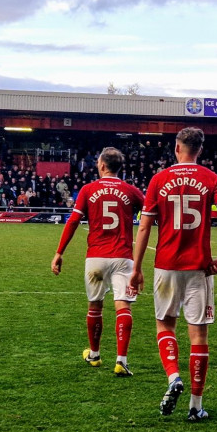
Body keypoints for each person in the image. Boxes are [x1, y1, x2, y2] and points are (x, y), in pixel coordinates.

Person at [129, 128, 217, 422]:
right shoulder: (211, 178)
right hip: (199, 267)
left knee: (165, 326)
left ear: (177, 147)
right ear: (199, 150)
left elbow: (143, 227)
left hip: (166, 265)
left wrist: (136, 268)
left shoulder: (158, 179)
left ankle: (173, 375)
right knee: (199, 334)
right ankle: (195, 405)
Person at [52, 147, 144, 375]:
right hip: (122, 256)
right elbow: (152, 213)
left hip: (96, 256)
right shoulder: (131, 191)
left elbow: (73, 221)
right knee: (123, 306)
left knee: (95, 305)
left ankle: (94, 355)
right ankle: (121, 360)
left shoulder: (88, 189)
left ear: (102, 165)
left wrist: (59, 252)